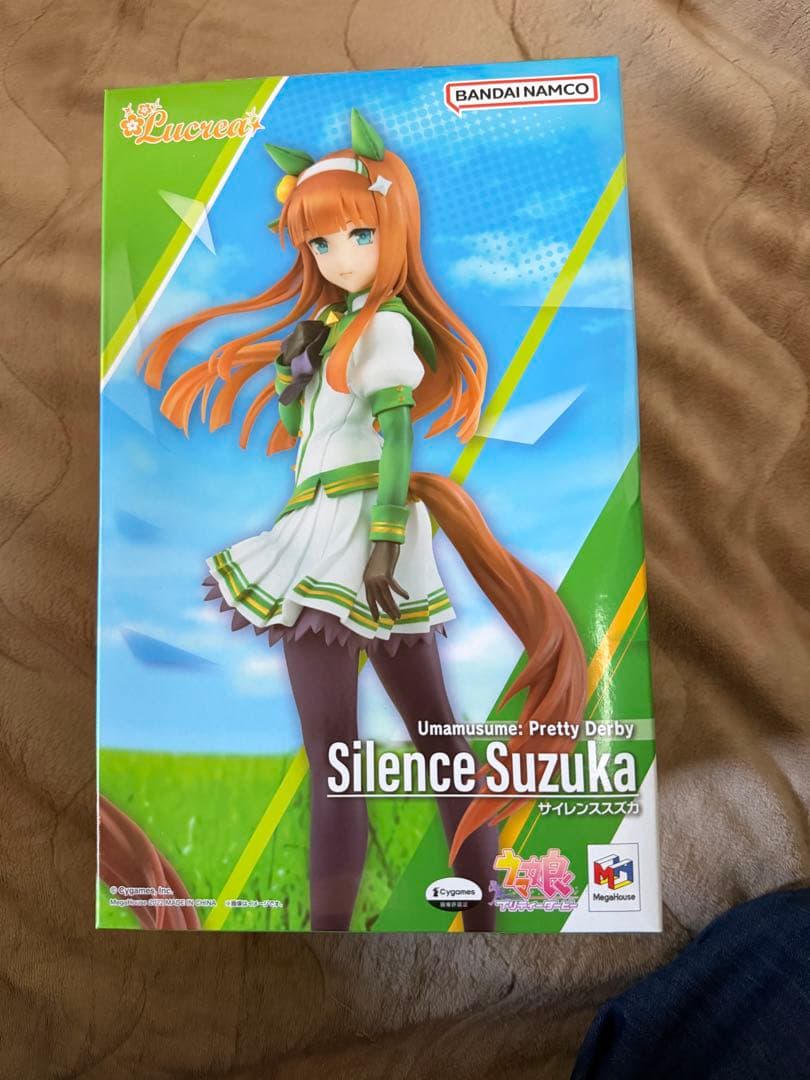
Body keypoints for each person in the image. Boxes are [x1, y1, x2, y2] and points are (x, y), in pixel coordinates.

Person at [140, 109, 587, 931]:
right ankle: (336, 937)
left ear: (392, 230)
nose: (338, 256)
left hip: (365, 533)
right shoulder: (334, 325)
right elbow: (304, 432)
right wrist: (293, 375)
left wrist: (383, 541)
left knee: (429, 742)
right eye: (319, 243)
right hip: (314, 531)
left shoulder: (384, 325)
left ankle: (482, 919)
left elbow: (396, 438)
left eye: (357, 235)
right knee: (344, 757)